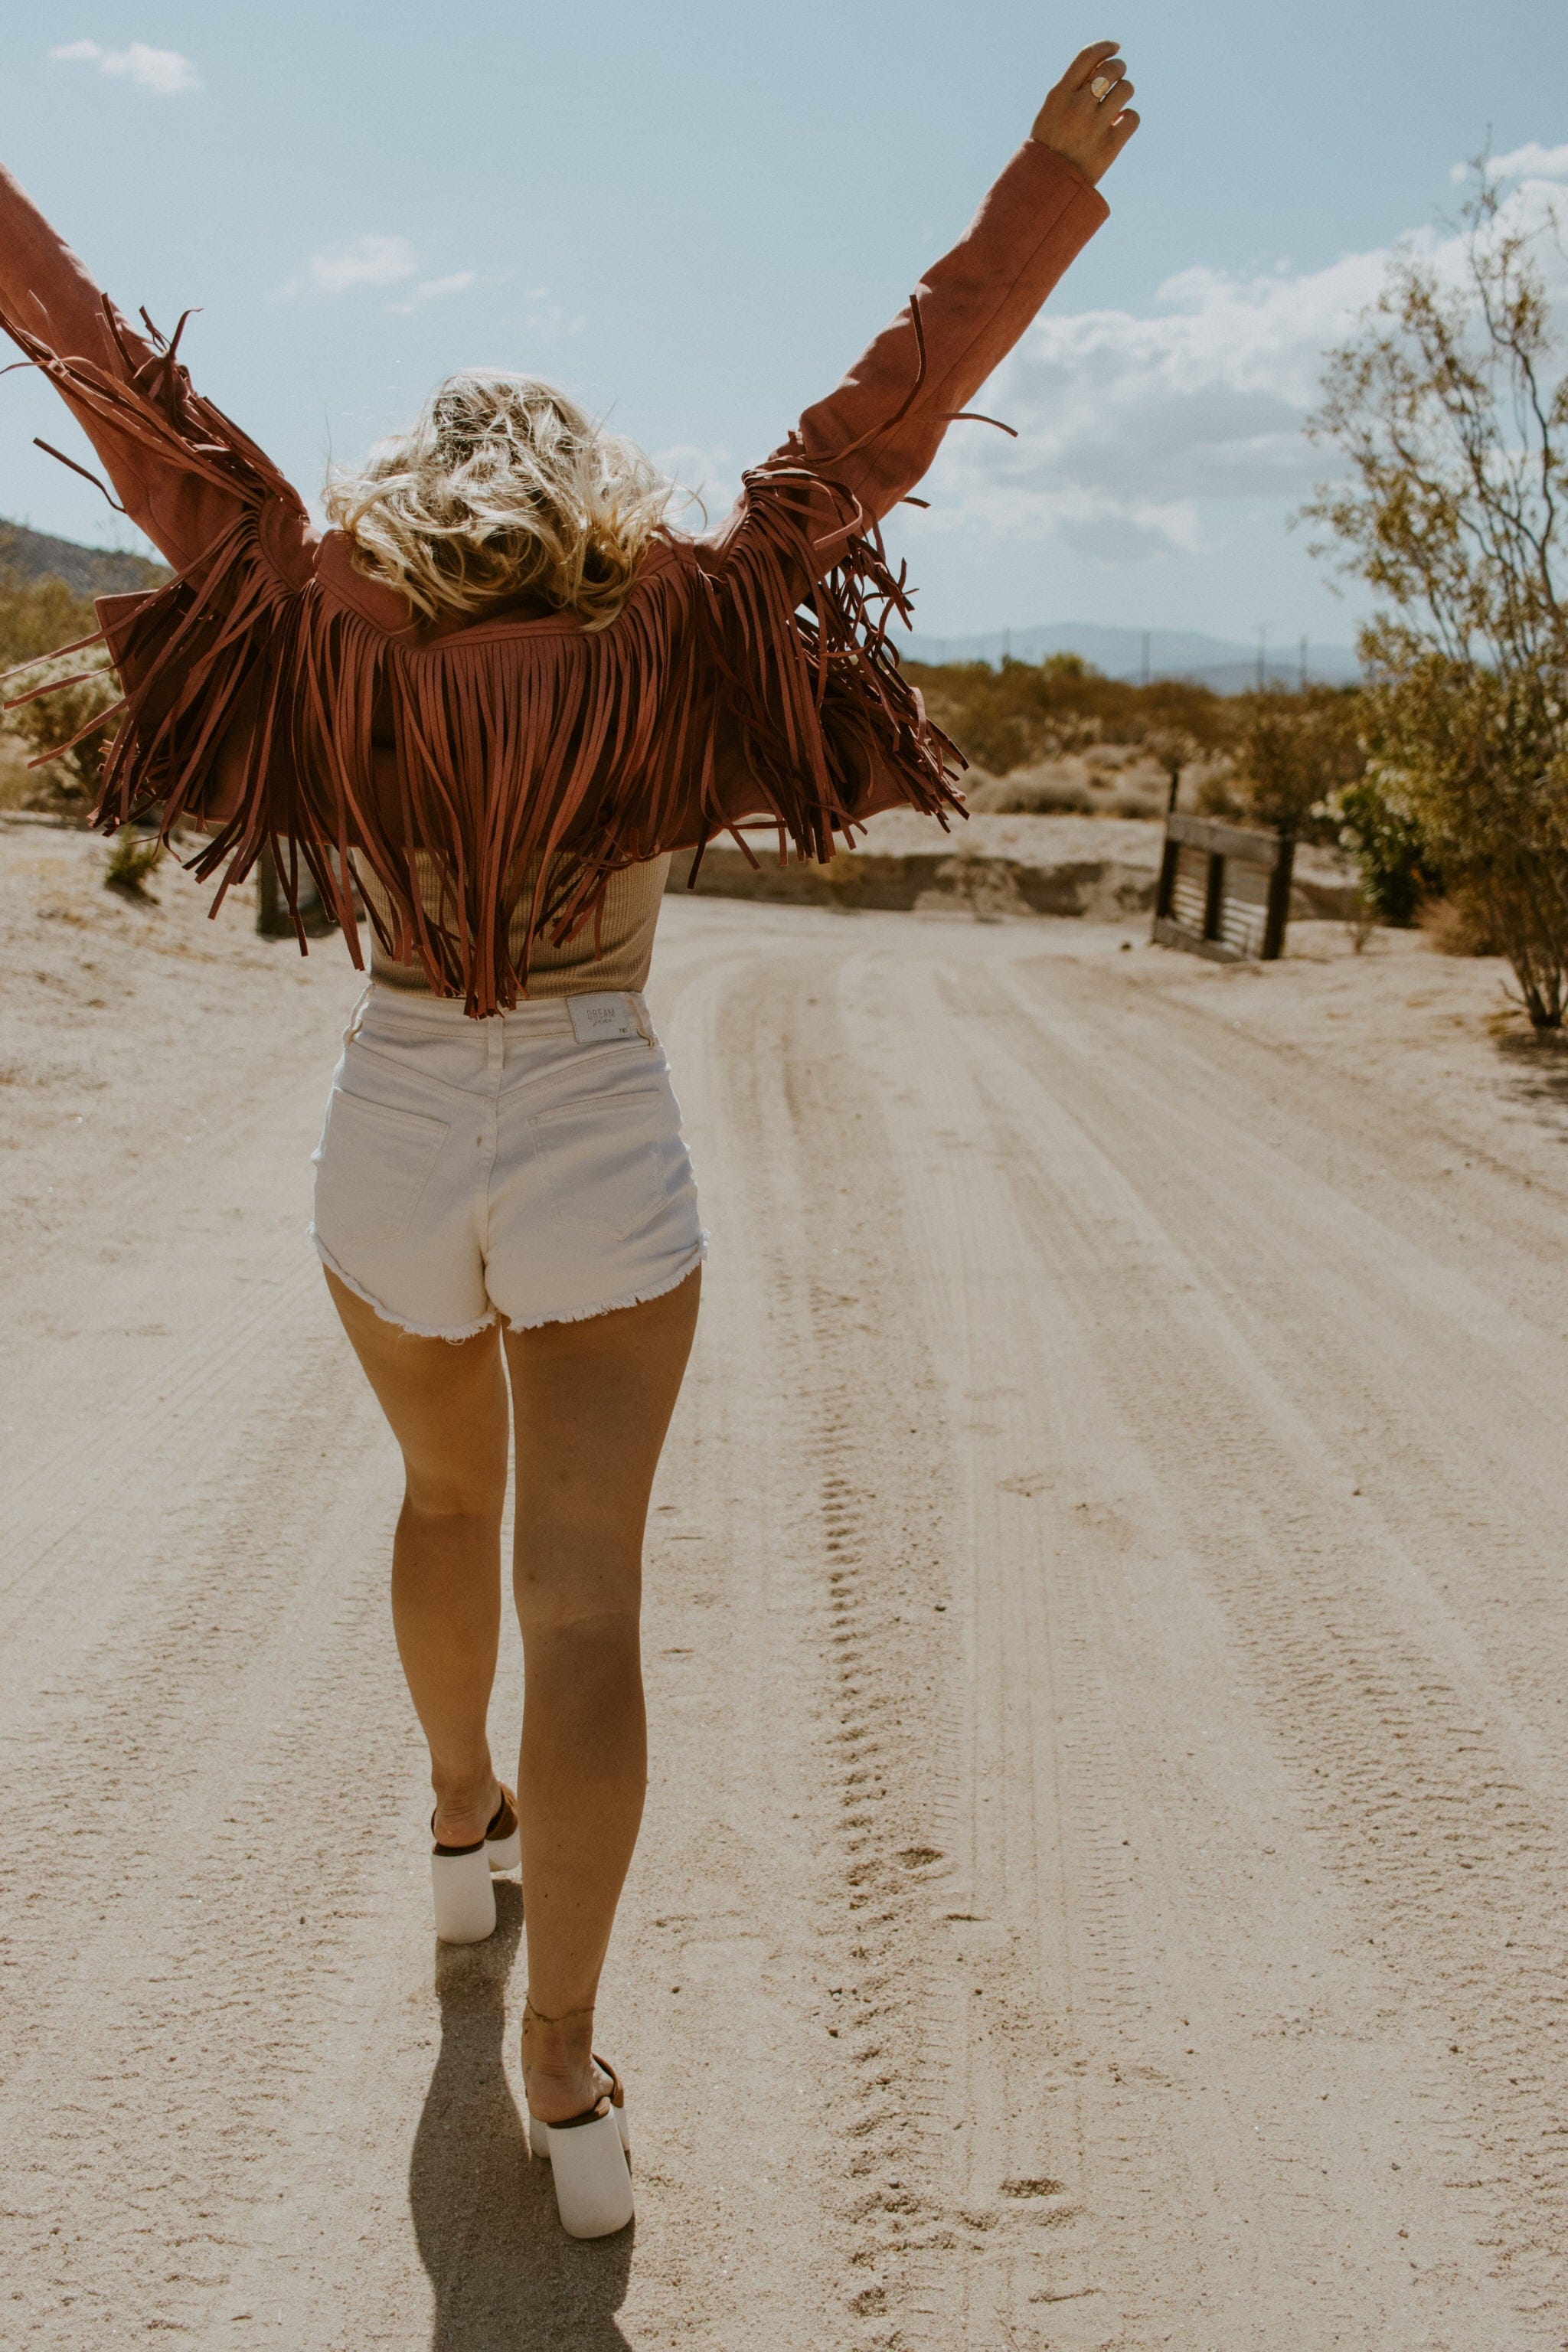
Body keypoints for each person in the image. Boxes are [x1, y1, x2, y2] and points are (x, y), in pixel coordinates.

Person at [0, 39, 1138, 2236]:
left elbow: (119, 383)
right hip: (600, 1125)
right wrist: (1039, 185)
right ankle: (568, 2074)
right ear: (588, 493)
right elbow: (869, 437)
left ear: (415, 494)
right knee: (590, 1605)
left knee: (439, 1495)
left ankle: (457, 1838)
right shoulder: (679, 635)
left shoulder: (308, 621)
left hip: (397, 1113)